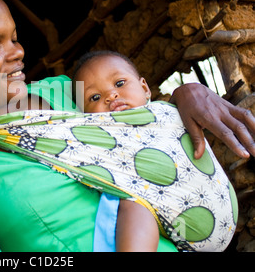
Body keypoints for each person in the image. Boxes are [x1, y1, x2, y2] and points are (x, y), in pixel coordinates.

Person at [0, 0, 255, 252]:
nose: (17, 52)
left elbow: (140, 114)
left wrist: (188, 93)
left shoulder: (68, 91)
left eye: (14, 38)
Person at [69, 50, 238, 251]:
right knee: (131, 201)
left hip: (219, 205)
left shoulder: (169, 112)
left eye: (120, 83)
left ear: (145, 88)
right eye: (94, 97)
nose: (110, 95)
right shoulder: (99, 139)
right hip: (175, 222)